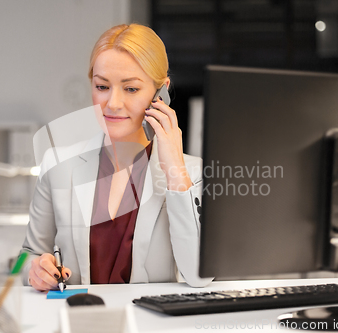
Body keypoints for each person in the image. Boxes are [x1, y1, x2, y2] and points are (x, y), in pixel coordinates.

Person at [21, 23, 212, 291]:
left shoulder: (192, 174)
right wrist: (32, 270)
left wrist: (173, 171)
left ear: (162, 93)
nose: (112, 103)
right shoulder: (58, 165)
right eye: (102, 86)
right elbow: (24, 256)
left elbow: (199, 276)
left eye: (131, 89)